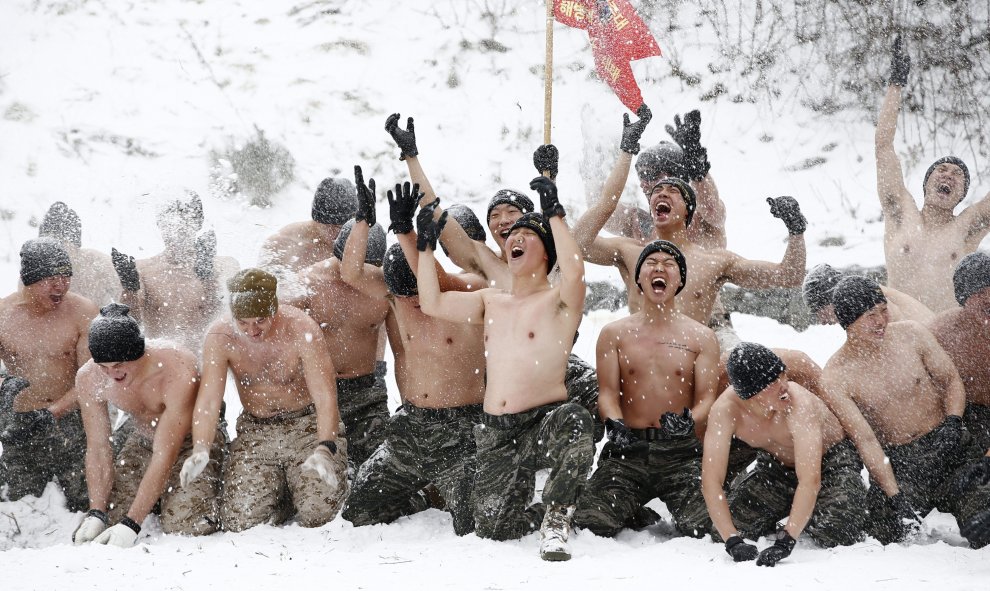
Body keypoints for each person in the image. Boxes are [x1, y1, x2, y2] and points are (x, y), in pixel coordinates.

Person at [384, 113, 603, 440]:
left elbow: (585, 217)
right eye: (495, 216)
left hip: (554, 369)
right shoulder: (484, 264)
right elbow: (436, 213)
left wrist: (549, 179)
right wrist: (412, 158)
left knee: (600, 399)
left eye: (512, 214)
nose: (503, 221)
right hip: (507, 382)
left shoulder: (555, 259)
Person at [417, 175, 594, 561]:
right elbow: (430, 303)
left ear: (546, 252)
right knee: (494, 529)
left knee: (577, 420)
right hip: (497, 431)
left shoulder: (559, 303)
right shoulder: (491, 300)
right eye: (511, 234)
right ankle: (544, 510)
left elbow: (576, 271)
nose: (513, 237)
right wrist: (426, 247)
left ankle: (558, 518)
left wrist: (554, 214)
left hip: (543, 422)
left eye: (525, 234)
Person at [572, 118, 807, 349]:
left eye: (654, 175)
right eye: (642, 177)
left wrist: (698, 166)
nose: (645, 184)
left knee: (742, 361)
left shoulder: (704, 221)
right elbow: (601, 210)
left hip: (709, 326)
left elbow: (712, 206)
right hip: (647, 338)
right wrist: (596, 168)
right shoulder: (636, 227)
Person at [338, 174, 486, 535]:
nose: (413, 304)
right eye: (403, 297)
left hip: (463, 430)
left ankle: (447, 490)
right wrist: (362, 221)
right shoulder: (395, 296)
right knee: (359, 511)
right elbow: (351, 272)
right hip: (412, 428)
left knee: (472, 523)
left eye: (418, 292)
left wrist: (410, 233)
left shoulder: (467, 293)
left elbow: (459, 274)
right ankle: (422, 495)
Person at [822, 275, 990, 548]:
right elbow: (866, 441)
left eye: (883, 310)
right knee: (884, 534)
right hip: (903, 462)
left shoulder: (912, 334)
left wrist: (953, 421)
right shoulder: (836, 377)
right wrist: (894, 495)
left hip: (948, 444)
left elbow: (950, 381)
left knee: (982, 526)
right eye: (869, 315)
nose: (881, 322)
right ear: (847, 322)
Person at [179, 268, 347, 531]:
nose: (251, 330)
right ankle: (284, 491)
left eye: (260, 320)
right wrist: (201, 447)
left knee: (318, 514)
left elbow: (325, 395)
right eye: (243, 322)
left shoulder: (301, 329)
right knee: (241, 522)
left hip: (306, 424)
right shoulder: (220, 337)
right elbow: (210, 400)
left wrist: (325, 447)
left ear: (274, 310)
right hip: (256, 428)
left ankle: (330, 474)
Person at [573, 240, 718, 538]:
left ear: (680, 280)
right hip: (628, 451)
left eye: (669, 264)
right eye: (651, 263)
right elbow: (608, 394)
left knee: (703, 527)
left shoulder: (701, 337)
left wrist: (690, 420)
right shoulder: (614, 334)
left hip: (680, 453)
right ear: (639, 277)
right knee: (592, 522)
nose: (659, 268)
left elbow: (707, 399)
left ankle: (668, 502)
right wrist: (614, 422)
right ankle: (631, 505)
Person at [69, 304, 223, 547]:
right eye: (104, 366)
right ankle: (156, 497)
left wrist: (132, 523)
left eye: (119, 364)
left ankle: (212, 481)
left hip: (191, 443)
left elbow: (165, 452)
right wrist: (96, 511)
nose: (112, 374)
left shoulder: (176, 367)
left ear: (138, 353)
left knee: (186, 524)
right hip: (142, 439)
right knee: (111, 519)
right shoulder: (89, 377)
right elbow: (98, 447)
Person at [703, 344, 869, 567]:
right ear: (750, 394)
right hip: (777, 467)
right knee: (723, 528)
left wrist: (786, 539)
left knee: (836, 532)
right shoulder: (724, 411)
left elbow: (810, 479)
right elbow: (711, 481)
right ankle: (795, 506)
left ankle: (833, 502)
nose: (784, 386)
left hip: (831, 461)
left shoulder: (799, 404)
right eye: (772, 382)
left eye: (782, 375)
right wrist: (732, 541)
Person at [875, 35, 990, 312]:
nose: (948, 175)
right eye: (941, 169)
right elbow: (883, 146)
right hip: (898, 335)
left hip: (943, 337)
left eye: (957, 175)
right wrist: (895, 84)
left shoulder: (967, 228)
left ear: (961, 195)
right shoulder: (901, 212)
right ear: (926, 184)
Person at [283, 216, 390, 469]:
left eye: (369, 267)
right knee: (315, 473)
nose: (359, 276)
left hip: (366, 395)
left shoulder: (383, 287)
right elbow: (275, 336)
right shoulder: (308, 282)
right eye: (354, 265)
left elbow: (404, 346)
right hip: (315, 392)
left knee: (379, 474)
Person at [0, 239, 97, 511]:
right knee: (17, 503)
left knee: (84, 501)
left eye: (66, 277)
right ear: (29, 280)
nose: (61, 286)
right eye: (51, 278)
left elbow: (91, 377)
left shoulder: (82, 311)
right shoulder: (3, 315)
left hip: (71, 420)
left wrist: (52, 412)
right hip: (21, 424)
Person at [112, 191, 238, 354]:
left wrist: (208, 276)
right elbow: (131, 321)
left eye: (185, 220)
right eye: (169, 222)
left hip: (206, 362)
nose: (177, 229)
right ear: (159, 224)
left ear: (199, 223)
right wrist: (129, 288)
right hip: (161, 364)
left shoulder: (224, 265)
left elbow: (227, 317)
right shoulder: (143, 270)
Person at [928, 252, 990, 451]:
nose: (988, 298)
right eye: (980, 293)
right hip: (971, 414)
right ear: (964, 297)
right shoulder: (941, 332)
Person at [257, 176, 357, 275]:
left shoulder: (360, 247)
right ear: (316, 219)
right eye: (326, 225)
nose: (333, 232)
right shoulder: (283, 243)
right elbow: (260, 285)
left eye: (340, 227)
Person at [38, 201, 118, 307]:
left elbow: (128, 305)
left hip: (99, 320)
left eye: (62, 243)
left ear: (76, 246)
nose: (55, 253)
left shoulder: (97, 263)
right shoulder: (34, 273)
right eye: (48, 247)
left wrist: (130, 291)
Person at [802, 263, 934, 325]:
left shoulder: (867, 299)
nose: (822, 322)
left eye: (817, 311)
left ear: (830, 299)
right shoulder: (862, 295)